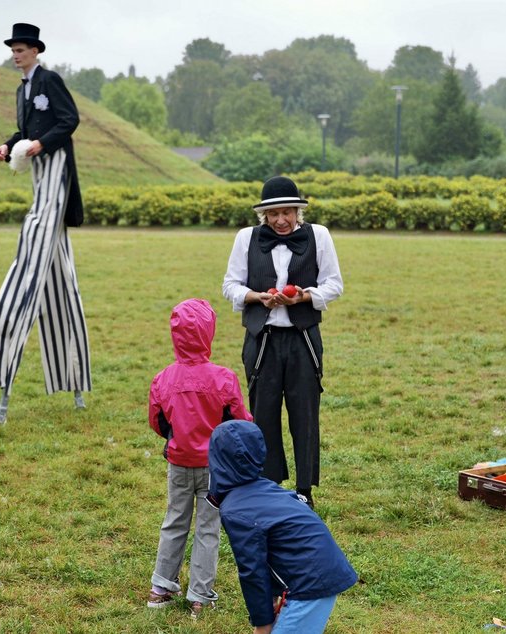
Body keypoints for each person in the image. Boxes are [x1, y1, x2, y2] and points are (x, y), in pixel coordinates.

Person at [0, 22, 91, 425]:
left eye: (22, 49)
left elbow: (69, 120)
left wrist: (42, 145)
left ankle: (3, 351)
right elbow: (26, 130)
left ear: (36, 51)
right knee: (60, 280)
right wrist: (9, 145)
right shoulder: (22, 88)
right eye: (13, 49)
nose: (16, 54)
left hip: (57, 170)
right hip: (37, 172)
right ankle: (73, 380)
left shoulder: (50, 80)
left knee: (35, 243)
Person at [221, 176, 343, 508]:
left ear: (297, 212)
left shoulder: (319, 236)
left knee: (305, 414)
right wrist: (257, 297)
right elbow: (230, 285)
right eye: (273, 214)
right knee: (262, 414)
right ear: (264, 215)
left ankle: (305, 490)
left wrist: (305, 296)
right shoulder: (246, 238)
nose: (281, 221)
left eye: (287, 213)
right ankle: (267, 486)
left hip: (303, 339)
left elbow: (334, 284)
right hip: (262, 340)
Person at [146, 298, 252, 617]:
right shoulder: (223, 378)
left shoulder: (163, 378)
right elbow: (239, 421)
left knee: (174, 520)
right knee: (208, 527)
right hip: (215, 469)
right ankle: (199, 596)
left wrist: (176, 437)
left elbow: (157, 420)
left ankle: (160, 588)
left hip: (178, 463)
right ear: (209, 333)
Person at [207, 420, 357, 633]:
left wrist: (263, 623)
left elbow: (253, 570)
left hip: (308, 585)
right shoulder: (267, 488)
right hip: (320, 570)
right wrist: (275, 597)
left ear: (216, 460)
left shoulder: (235, 511)